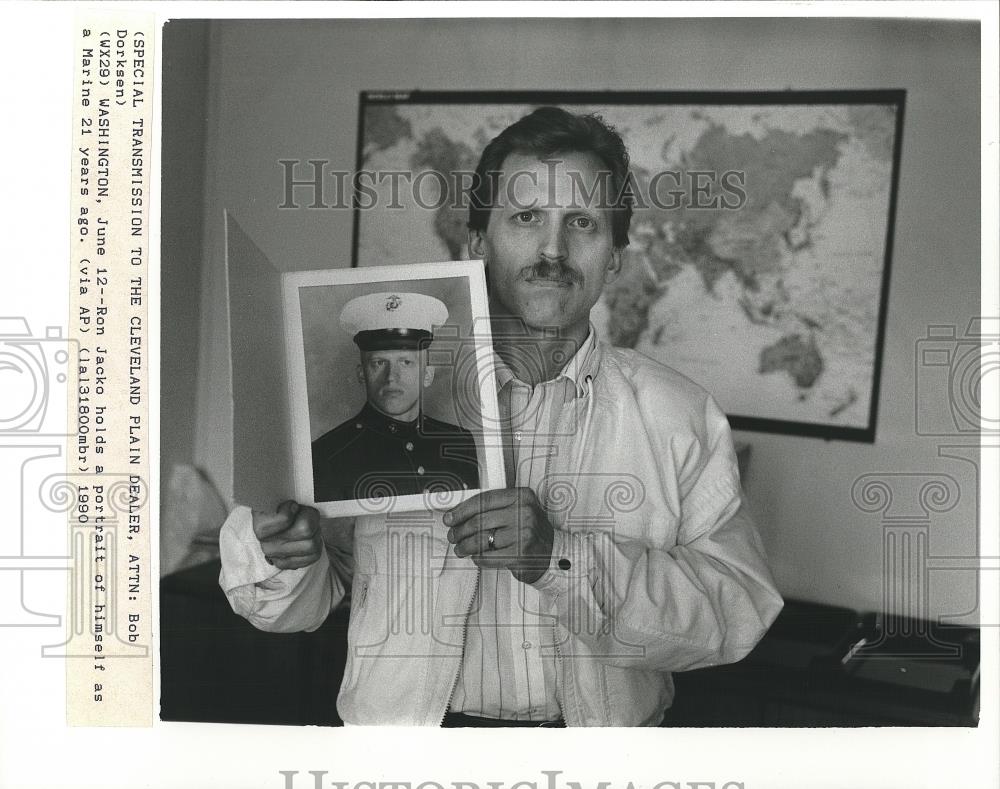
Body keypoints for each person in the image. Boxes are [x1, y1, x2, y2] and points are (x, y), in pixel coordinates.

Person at [219, 106, 783, 726]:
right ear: (479, 243)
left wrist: (556, 560)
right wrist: (283, 555)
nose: (552, 249)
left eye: (583, 223)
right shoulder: (397, 414)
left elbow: (735, 614)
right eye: (525, 218)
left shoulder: (680, 414)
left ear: (616, 254)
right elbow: (297, 606)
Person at [310, 291, 479, 502]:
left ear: (427, 375)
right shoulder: (327, 456)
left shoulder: (459, 443)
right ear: (361, 374)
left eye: (406, 362)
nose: (391, 377)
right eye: (379, 363)